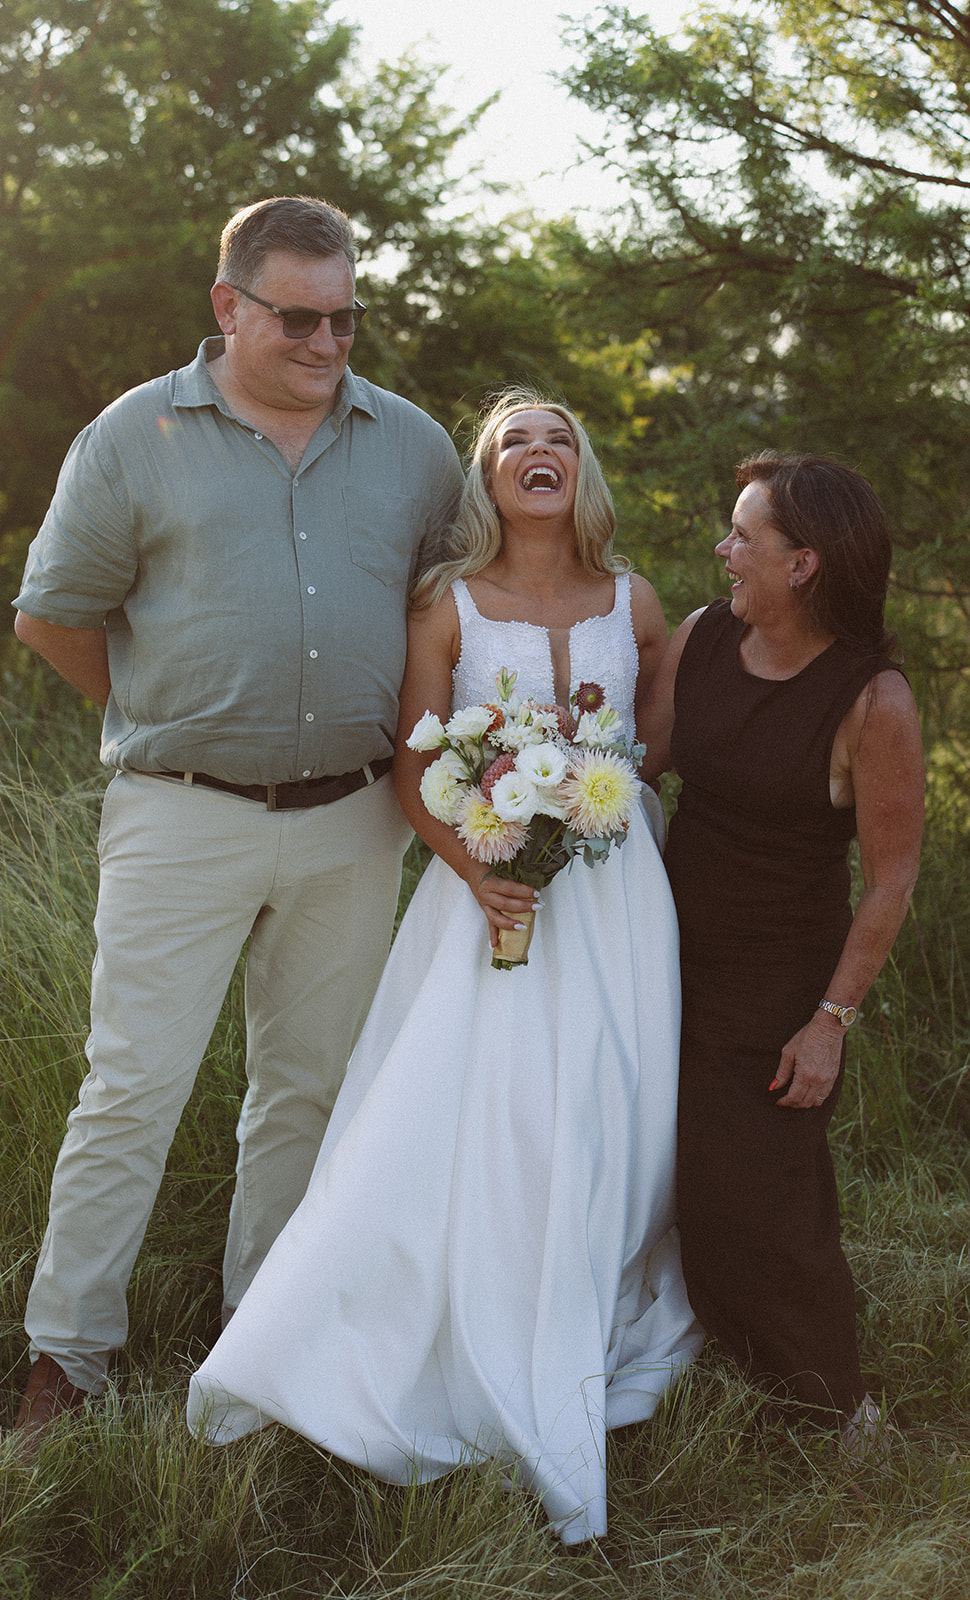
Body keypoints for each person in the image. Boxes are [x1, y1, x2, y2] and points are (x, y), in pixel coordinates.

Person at [187, 389, 701, 1544]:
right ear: (487, 477)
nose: (538, 454)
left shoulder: (637, 600)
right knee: (481, 1113)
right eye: (514, 442)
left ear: (583, 472)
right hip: (487, 892)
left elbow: (656, 737)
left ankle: (587, 1295)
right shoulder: (447, 604)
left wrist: (592, 789)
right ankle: (431, 1319)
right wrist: (480, 864)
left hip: (617, 897)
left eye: (558, 440)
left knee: (618, 1109)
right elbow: (416, 764)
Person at [9, 195, 464, 1450]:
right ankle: (67, 1356)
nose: (327, 342)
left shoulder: (412, 444)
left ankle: (261, 1354)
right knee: (129, 1088)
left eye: (346, 317)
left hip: (354, 820)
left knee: (306, 1095)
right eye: (299, 317)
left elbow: (456, 605)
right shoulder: (134, 435)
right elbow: (51, 615)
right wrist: (170, 722)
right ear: (229, 307)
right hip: (180, 817)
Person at [640, 450, 924, 1451]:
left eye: (741, 537)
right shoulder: (705, 636)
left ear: (801, 563)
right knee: (664, 1175)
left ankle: (838, 1413)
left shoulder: (869, 700)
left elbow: (890, 878)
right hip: (657, 953)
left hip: (776, 983)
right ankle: (702, 1361)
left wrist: (828, 1021)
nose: (722, 551)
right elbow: (638, 760)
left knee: (753, 1198)